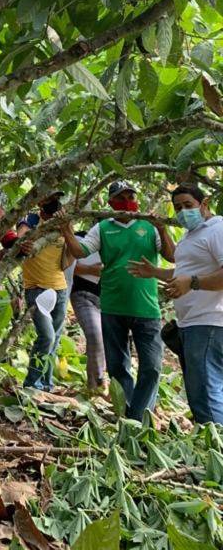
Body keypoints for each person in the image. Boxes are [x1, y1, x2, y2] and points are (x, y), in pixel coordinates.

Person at [61, 179, 174, 422]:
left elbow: (171, 255)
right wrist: (66, 230)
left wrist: (163, 229)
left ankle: (137, 416)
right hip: (112, 306)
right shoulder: (103, 227)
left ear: (137, 201)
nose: (127, 202)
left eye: (130, 197)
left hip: (147, 307)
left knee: (152, 367)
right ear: (111, 203)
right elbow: (81, 252)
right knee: (117, 366)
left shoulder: (149, 226)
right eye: (121, 198)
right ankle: (129, 417)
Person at [128, 184, 223, 425]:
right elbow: (185, 272)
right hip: (192, 322)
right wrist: (155, 272)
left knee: (206, 394)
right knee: (200, 391)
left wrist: (192, 283)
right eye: (178, 207)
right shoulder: (192, 235)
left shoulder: (217, 229)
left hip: (210, 321)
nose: (182, 212)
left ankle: (216, 450)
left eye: (188, 205)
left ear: (205, 203)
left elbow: (193, 278)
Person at [14, 192, 72, 392]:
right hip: (37, 288)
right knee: (46, 336)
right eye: (48, 200)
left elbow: (69, 257)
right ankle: (32, 384)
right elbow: (19, 239)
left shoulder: (63, 225)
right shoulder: (30, 220)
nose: (52, 205)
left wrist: (66, 228)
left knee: (54, 339)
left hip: (59, 288)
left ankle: (46, 385)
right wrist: (27, 243)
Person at [70, 236, 106, 393]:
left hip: (108, 299)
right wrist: (90, 270)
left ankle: (95, 385)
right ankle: (97, 382)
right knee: (94, 334)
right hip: (83, 294)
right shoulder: (79, 239)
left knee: (104, 340)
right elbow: (66, 266)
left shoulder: (115, 241)